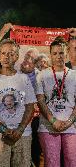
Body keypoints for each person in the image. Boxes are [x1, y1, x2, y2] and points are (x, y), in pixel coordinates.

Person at [0, 39, 37, 167]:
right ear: (0, 56)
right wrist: (1, 128)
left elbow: (30, 106)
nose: (6, 57)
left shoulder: (24, 79)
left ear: (17, 56)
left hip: (23, 135)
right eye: (3, 53)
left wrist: (20, 129)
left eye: (11, 53)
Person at [36, 37, 76, 167]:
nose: (58, 56)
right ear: (50, 55)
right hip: (48, 126)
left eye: (61, 53)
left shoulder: (74, 75)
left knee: (72, 162)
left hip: (71, 127)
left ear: (67, 54)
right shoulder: (42, 75)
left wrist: (69, 121)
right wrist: (53, 120)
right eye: (55, 53)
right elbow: (40, 101)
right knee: (52, 163)